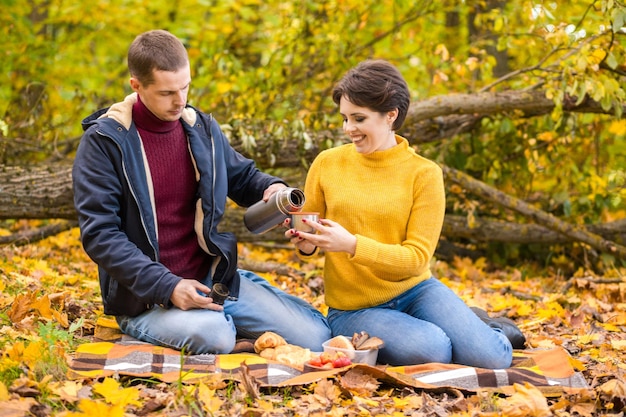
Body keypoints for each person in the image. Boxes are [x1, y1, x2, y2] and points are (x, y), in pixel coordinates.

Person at [72, 29, 331, 354]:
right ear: (136, 85)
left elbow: (242, 177)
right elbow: (100, 236)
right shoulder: (105, 143)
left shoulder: (201, 128)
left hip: (211, 281)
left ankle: (239, 304)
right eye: (167, 92)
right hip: (148, 298)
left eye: (185, 87)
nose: (180, 101)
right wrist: (169, 286)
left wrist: (272, 188)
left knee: (317, 337)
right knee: (215, 336)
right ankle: (212, 329)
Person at [286, 59, 525, 368]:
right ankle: (459, 327)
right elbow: (311, 236)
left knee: (492, 358)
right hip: (353, 309)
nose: (348, 129)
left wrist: (352, 245)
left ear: (391, 116)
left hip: (416, 290)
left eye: (359, 118)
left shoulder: (424, 173)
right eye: (345, 118)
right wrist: (304, 242)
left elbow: (416, 258)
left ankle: (488, 328)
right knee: (433, 350)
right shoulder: (327, 163)